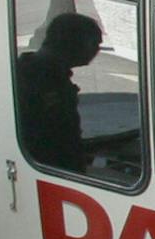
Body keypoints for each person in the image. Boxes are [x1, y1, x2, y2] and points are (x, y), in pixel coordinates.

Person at [15, 12, 103, 172]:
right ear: (72, 43)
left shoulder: (35, 72)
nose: (97, 50)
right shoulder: (38, 79)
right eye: (94, 43)